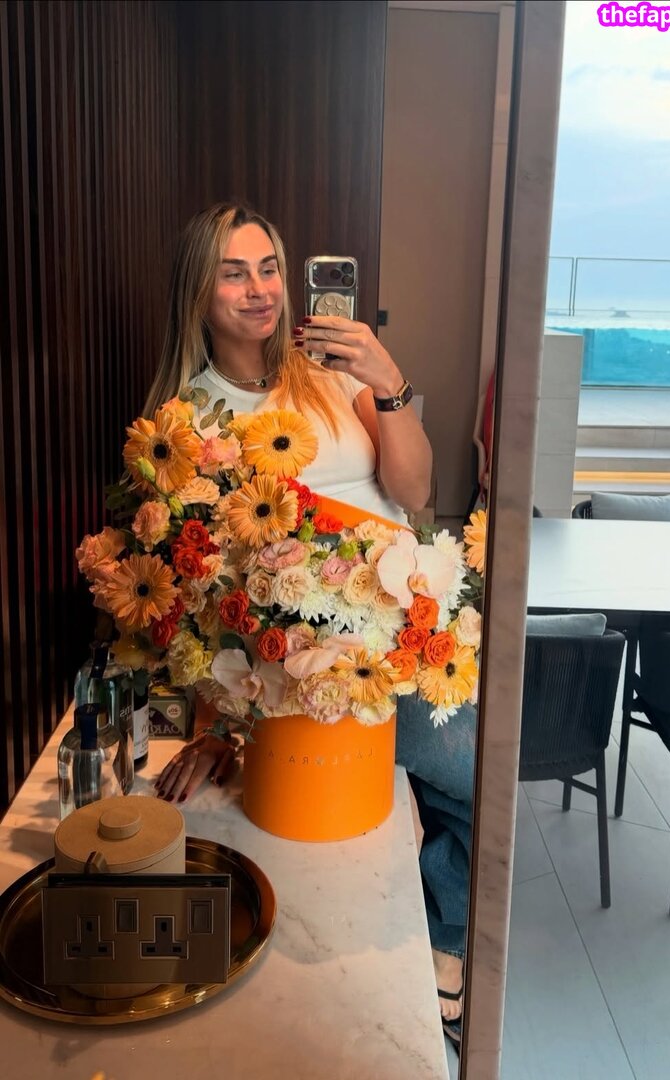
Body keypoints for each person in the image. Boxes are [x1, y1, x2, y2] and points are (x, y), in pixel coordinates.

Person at [145, 202, 468, 1034]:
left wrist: (387, 381)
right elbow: (203, 592)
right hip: (304, 653)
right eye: (233, 273)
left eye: (268, 269)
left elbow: (416, 491)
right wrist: (223, 724)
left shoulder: (328, 370)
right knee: (471, 775)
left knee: (481, 774)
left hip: (407, 625)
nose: (259, 289)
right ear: (198, 290)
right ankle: (432, 946)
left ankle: (448, 933)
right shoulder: (191, 419)